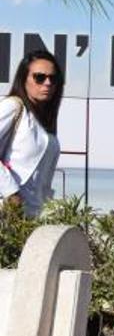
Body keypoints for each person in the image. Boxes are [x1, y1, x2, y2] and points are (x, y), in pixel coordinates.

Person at [0, 50, 64, 218]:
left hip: (30, 220)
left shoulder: (43, 122)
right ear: (24, 79)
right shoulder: (13, 106)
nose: (47, 83)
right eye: (39, 77)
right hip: (7, 214)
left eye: (53, 78)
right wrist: (12, 194)